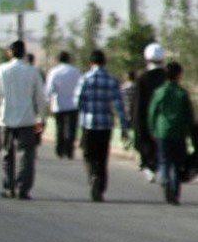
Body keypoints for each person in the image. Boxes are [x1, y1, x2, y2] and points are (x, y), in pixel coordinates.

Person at [0, 40, 46, 200]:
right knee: (26, 154)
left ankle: (9, 186)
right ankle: (22, 188)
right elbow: (40, 97)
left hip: (6, 119)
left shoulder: (1, 70)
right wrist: (42, 117)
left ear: (10, 52)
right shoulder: (32, 71)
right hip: (27, 120)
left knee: (7, 154)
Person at [74, 50, 129, 202]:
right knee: (102, 156)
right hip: (105, 125)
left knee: (88, 155)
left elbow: (76, 101)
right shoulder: (112, 80)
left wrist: (84, 111)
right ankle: (100, 185)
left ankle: (93, 177)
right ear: (104, 63)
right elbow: (119, 106)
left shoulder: (85, 79)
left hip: (88, 124)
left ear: (91, 63)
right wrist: (124, 128)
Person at [148, 62, 196, 205]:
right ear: (178, 75)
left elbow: (152, 112)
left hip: (162, 131)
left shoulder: (159, 92)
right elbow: (189, 116)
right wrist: (191, 132)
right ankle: (174, 189)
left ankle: (164, 180)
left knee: (164, 160)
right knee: (176, 163)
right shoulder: (182, 93)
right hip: (179, 132)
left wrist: (152, 129)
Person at [132, 42, 167, 182]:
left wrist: (134, 121)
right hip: (163, 121)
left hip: (145, 121)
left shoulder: (142, 78)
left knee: (146, 145)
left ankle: (150, 167)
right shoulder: (167, 77)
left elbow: (138, 104)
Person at [45, 51, 82, 159]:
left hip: (59, 104)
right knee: (72, 128)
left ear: (58, 60)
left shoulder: (54, 72)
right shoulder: (76, 71)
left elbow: (50, 89)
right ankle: (70, 150)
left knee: (60, 127)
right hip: (73, 104)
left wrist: (47, 100)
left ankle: (60, 149)